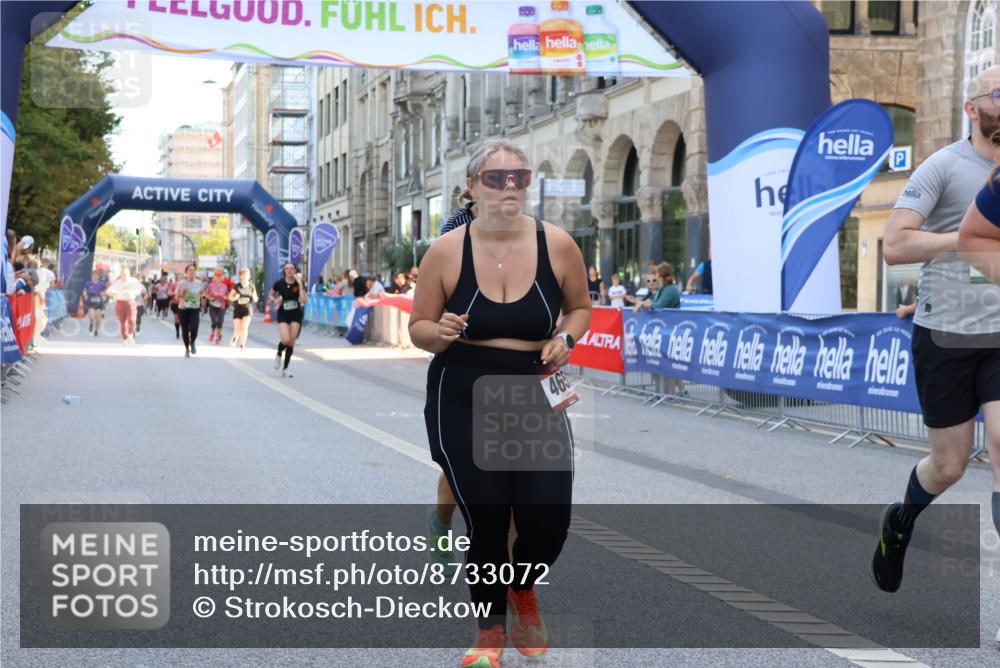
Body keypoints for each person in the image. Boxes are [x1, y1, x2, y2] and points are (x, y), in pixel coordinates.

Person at [409, 139, 591, 667]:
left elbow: (580, 307)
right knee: (487, 520)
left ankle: (522, 587)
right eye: (496, 178)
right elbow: (418, 327)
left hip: (535, 387)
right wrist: (437, 331)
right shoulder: (445, 252)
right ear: (472, 187)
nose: (509, 186)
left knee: (547, 520)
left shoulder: (558, 245)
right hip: (463, 387)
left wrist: (569, 340)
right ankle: (489, 633)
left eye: (519, 176)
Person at [871, 65, 1000, 603]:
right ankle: (901, 520)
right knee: (948, 465)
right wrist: (969, 240)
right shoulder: (944, 167)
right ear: (973, 108)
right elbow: (895, 247)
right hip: (946, 333)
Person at [269, 262, 307, 378]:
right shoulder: (279, 283)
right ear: (284, 271)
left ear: (295, 270)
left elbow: (303, 299)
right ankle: (279, 353)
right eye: (287, 268)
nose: (289, 270)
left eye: (292, 268)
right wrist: (274, 300)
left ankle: (285, 369)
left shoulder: (299, 283)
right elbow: (271, 294)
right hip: (283, 313)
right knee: (285, 340)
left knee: (291, 342)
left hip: (296, 314)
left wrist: (300, 284)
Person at [104, 266, 144, 344]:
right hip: (120, 303)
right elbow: (107, 291)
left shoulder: (134, 281)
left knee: (132, 320)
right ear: (120, 274)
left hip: (130, 302)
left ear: (129, 274)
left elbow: (139, 289)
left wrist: (132, 292)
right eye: (123, 274)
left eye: (126, 274)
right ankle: (125, 338)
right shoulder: (117, 282)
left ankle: (131, 334)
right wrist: (113, 293)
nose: (124, 276)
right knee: (123, 323)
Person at [176, 264, 204, 357]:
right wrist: (182, 293)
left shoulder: (199, 283)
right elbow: (177, 297)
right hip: (183, 309)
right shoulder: (181, 283)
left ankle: (192, 342)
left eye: (193, 270)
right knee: (185, 330)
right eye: (189, 270)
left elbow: (202, 294)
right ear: (186, 273)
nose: (192, 272)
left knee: (194, 328)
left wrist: (202, 294)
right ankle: (187, 348)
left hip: (195, 308)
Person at [228, 267, 258, 351]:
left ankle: (242, 345)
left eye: (247, 275)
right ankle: (234, 338)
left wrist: (254, 298)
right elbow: (230, 297)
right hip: (238, 310)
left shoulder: (251, 286)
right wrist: (235, 298)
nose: (245, 277)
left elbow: (256, 298)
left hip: (247, 309)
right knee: (238, 330)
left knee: (244, 327)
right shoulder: (237, 286)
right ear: (240, 276)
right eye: (243, 275)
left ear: (249, 276)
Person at [205, 270, 230, 345]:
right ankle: (213, 332)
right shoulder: (211, 285)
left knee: (220, 322)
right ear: (214, 277)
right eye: (217, 276)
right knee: (214, 322)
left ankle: (218, 337)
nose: (218, 278)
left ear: (222, 277)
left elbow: (228, 297)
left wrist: (222, 296)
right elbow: (205, 294)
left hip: (221, 306)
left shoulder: (224, 286)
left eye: (220, 276)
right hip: (212, 305)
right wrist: (210, 298)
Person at [83, 271, 105, 336]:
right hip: (91, 302)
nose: (95, 277)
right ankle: (91, 323)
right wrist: (85, 295)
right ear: (92, 276)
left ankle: (96, 330)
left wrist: (103, 293)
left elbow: (106, 291)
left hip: (99, 302)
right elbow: (84, 290)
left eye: (96, 276)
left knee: (98, 318)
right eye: (94, 276)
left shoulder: (102, 284)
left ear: (98, 276)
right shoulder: (88, 283)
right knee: (92, 317)